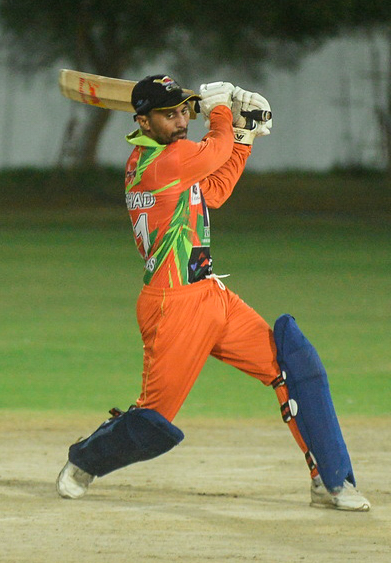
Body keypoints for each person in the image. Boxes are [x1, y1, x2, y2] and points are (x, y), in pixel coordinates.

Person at [56, 75, 370, 511]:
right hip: (174, 305)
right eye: (169, 115)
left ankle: (329, 480)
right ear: (143, 122)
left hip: (211, 294)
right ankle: (85, 461)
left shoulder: (172, 160)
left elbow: (215, 190)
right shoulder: (161, 163)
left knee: (288, 366)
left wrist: (243, 136)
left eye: (183, 111)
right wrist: (222, 114)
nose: (181, 121)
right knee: (153, 419)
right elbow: (213, 152)